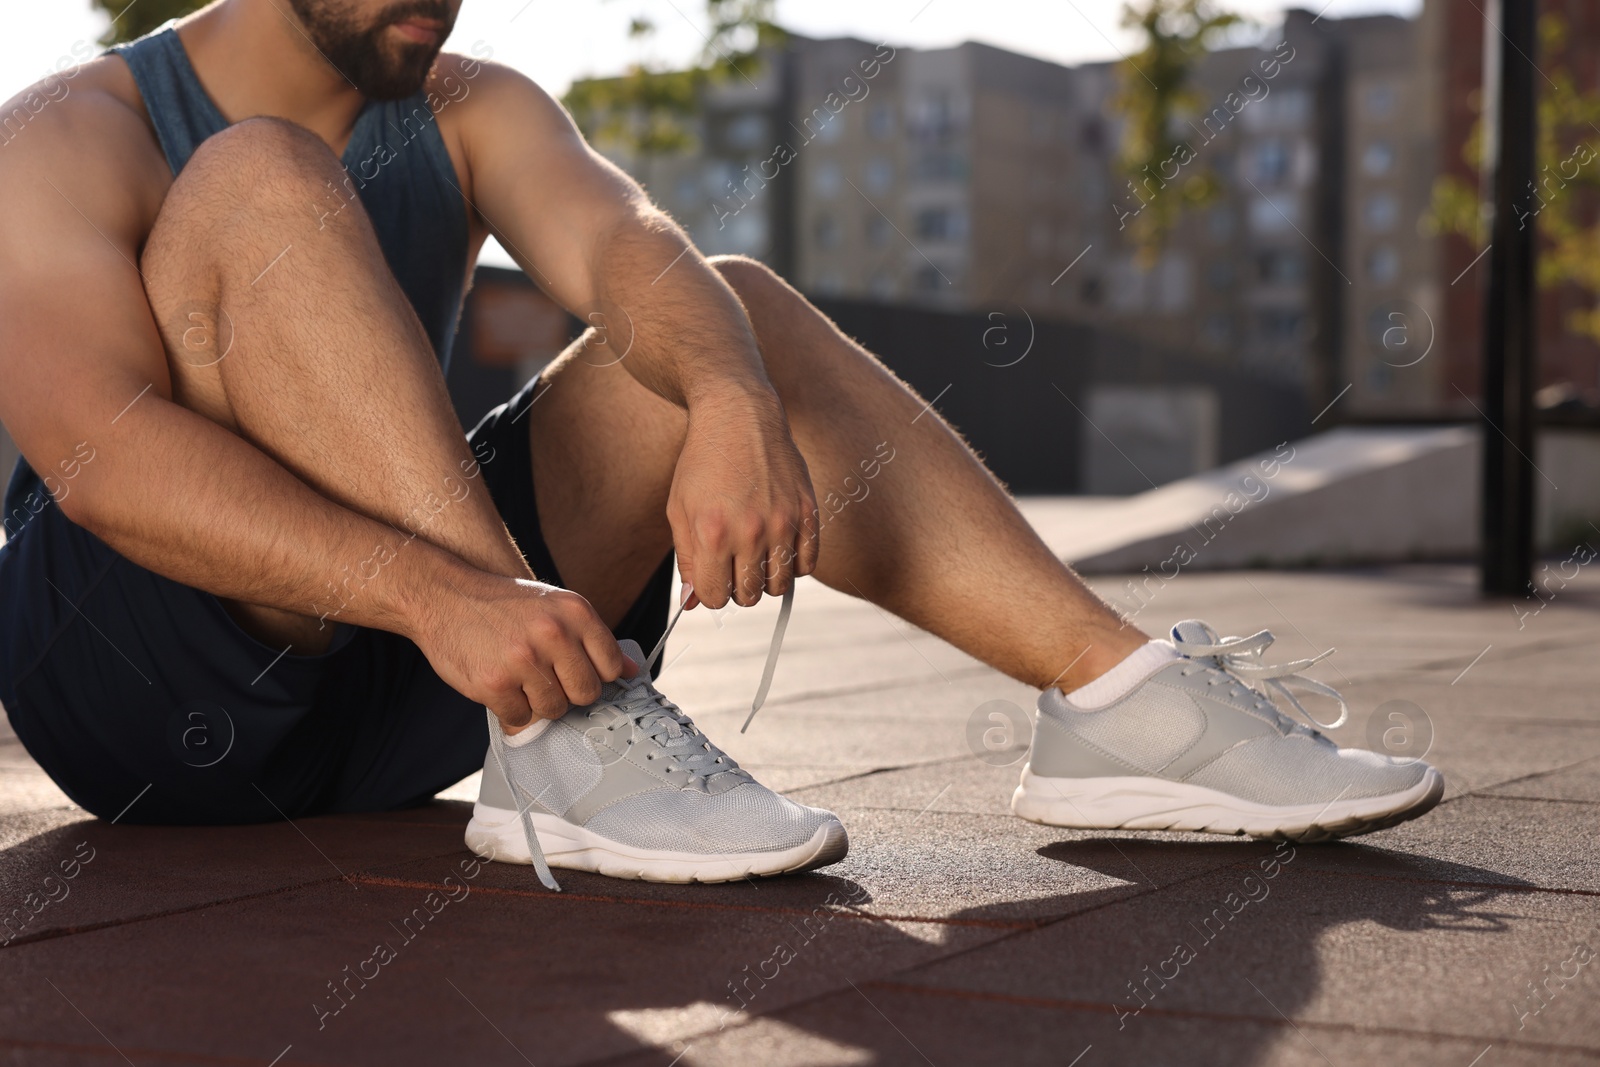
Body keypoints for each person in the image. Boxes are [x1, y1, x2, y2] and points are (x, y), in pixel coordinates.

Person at [0, 0, 1441, 887]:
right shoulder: (73, 129)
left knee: (727, 317)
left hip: (413, 683)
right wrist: (452, 598)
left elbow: (631, 244)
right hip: (132, 686)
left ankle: (1123, 705)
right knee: (261, 176)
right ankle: (561, 725)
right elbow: (104, 454)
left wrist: (737, 409)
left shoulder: (465, 106)